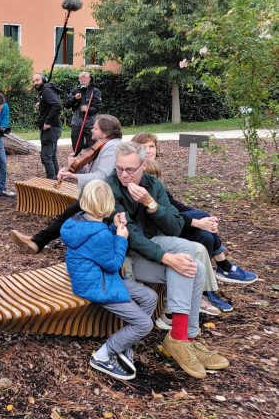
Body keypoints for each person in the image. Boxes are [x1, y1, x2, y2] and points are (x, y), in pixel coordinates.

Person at [105, 142, 229, 379]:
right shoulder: (110, 188)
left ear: (144, 165)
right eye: (119, 168)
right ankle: (181, 337)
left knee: (195, 265)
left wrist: (150, 203)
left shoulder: (153, 185)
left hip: (152, 244)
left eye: (130, 169)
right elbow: (130, 236)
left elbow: (174, 225)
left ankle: (186, 338)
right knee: (185, 265)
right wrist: (166, 258)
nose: (123, 174)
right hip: (123, 258)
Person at [131, 132, 257, 313]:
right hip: (157, 230)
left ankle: (216, 277)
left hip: (164, 223)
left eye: (152, 146)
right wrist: (197, 222)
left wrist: (200, 216)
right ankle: (215, 278)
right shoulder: (139, 174)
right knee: (201, 236)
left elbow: (172, 204)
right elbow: (159, 213)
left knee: (203, 222)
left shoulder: (153, 171)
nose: (149, 151)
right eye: (144, 147)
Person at [61, 180, 157, 381]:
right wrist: (121, 238)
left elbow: (99, 251)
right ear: (106, 207)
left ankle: (124, 344)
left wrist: (113, 229)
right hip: (97, 284)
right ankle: (103, 356)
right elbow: (113, 263)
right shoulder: (99, 234)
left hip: (96, 277)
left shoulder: (80, 221)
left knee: (150, 297)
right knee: (144, 324)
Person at [11, 114, 123, 254]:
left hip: (104, 197)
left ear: (106, 134)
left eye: (95, 128)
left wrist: (72, 175)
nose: (92, 130)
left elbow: (102, 177)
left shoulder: (112, 148)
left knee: (69, 215)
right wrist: (76, 164)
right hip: (96, 194)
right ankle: (36, 241)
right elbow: (92, 170)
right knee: (68, 214)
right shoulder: (104, 144)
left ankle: (37, 241)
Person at [31, 73, 62, 179]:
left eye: (37, 80)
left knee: (45, 157)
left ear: (43, 79)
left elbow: (57, 105)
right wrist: (42, 103)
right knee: (51, 155)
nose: (35, 83)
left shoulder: (46, 90)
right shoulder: (46, 90)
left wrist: (47, 122)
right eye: (34, 81)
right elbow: (52, 103)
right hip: (54, 128)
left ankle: (51, 181)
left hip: (51, 128)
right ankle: (56, 179)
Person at [64, 72, 102, 154]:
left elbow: (98, 107)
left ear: (89, 79)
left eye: (85, 78)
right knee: (76, 148)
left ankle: (92, 165)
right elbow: (66, 105)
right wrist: (74, 98)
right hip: (77, 124)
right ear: (79, 80)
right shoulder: (75, 91)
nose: (83, 80)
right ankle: (77, 164)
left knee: (92, 149)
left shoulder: (95, 91)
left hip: (91, 124)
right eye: (81, 78)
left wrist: (89, 109)